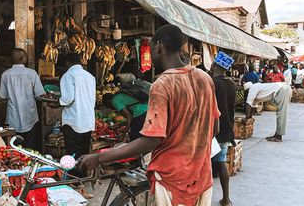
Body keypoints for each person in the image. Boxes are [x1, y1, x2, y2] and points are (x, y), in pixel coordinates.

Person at [80, 25, 220, 206]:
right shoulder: (204, 78)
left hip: (172, 180)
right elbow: (215, 128)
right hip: (201, 176)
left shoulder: (163, 84)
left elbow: (150, 141)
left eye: (151, 46)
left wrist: (99, 158)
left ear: (158, 46)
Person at [48, 53, 96, 172]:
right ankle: (83, 178)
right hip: (88, 120)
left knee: (73, 155)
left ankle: (75, 180)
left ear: (67, 63)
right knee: (84, 153)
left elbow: (68, 99)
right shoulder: (90, 76)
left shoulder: (68, 75)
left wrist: (56, 103)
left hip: (74, 120)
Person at [0, 48, 45, 150]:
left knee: (14, 146)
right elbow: (40, 94)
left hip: (12, 117)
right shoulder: (31, 73)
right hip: (30, 115)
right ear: (23, 59)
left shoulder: (5, 74)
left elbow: (3, 96)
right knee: (29, 145)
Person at [211, 58, 237, 206]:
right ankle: (226, 199)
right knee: (221, 163)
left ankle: (203, 199)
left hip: (211, 130)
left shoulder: (211, 83)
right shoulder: (232, 84)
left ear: (214, 65)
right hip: (226, 129)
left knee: (205, 166)